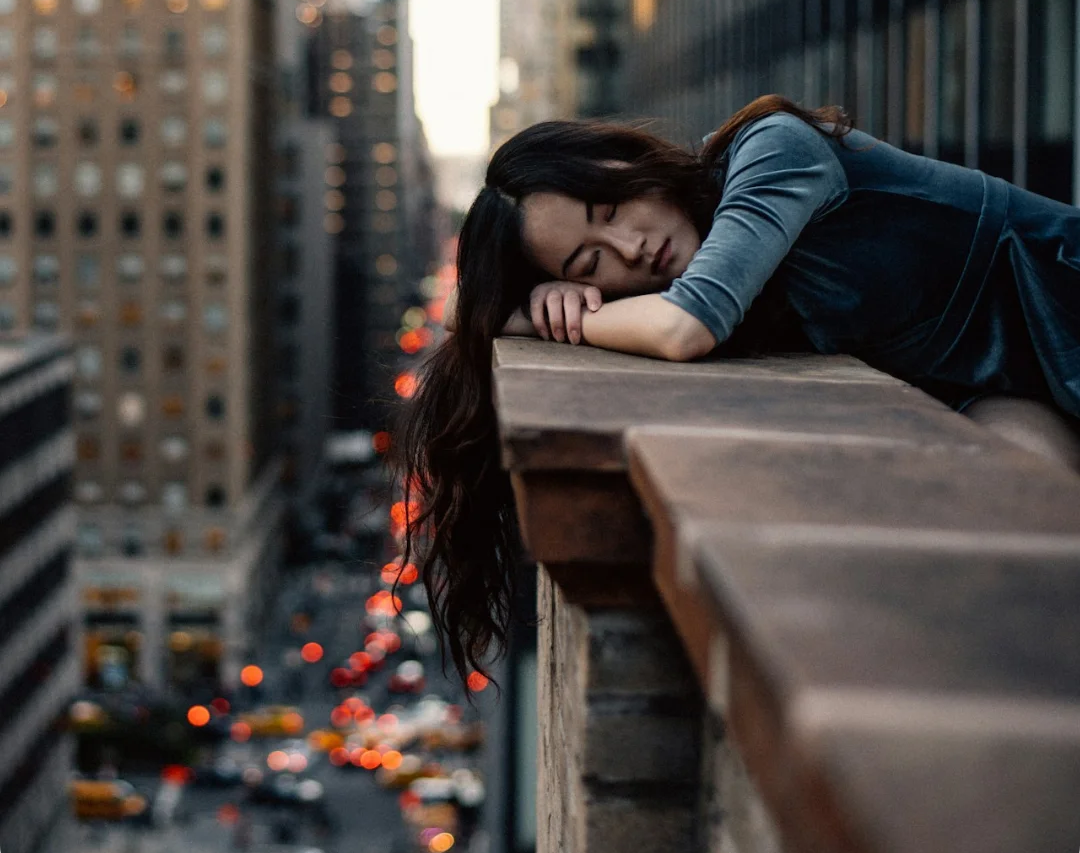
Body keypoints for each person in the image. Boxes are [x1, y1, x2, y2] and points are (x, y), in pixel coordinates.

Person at [394, 93, 1080, 689]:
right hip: (1001, 387)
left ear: (632, 161)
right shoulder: (719, 276)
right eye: (590, 261)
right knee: (1020, 526)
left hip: (1064, 310)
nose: (630, 249)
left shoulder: (773, 150)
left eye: (611, 207)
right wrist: (540, 302)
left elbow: (687, 327)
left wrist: (541, 316)